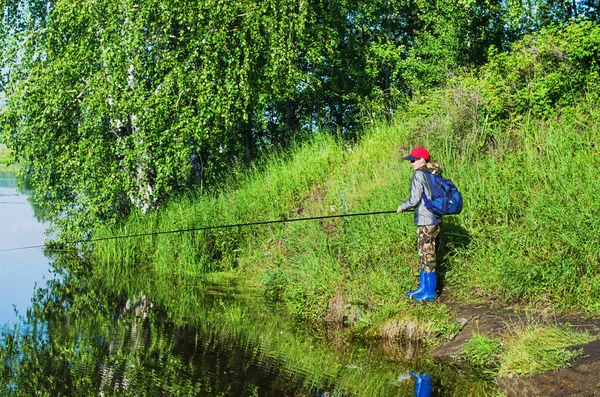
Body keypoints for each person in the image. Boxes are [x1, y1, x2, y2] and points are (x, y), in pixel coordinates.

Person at [396, 146, 441, 301]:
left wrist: (402, 206)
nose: (411, 163)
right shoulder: (433, 174)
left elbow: (414, 199)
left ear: (422, 160)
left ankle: (429, 292)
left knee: (427, 254)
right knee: (425, 253)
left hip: (425, 220)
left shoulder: (419, 174)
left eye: (413, 160)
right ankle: (423, 287)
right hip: (435, 219)